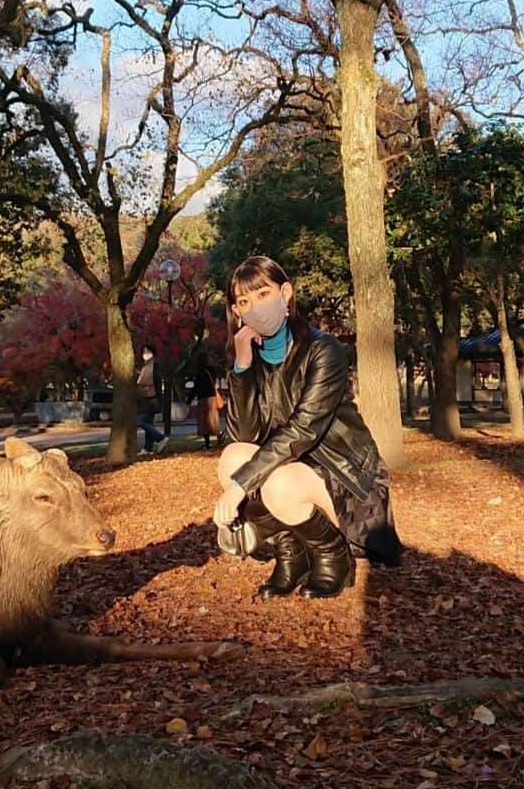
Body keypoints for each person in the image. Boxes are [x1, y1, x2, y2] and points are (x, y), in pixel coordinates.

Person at [213, 255, 402, 600]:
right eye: (243, 301)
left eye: (263, 294)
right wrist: (241, 369)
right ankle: (293, 553)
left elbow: (302, 431)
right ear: (236, 312)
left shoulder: (323, 350)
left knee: (272, 481)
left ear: (286, 294)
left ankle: (334, 555)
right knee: (232, 458)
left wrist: (241, 487)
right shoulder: (250, 358)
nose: (254, 307)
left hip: (344, 475)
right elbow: (244, 437)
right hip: (293, 468)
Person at [135, 344, 167, 455]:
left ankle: (160, 438)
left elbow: (154, 382)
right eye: (144, 352)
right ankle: (148, 448)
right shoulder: (145, 367)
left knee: (141, 421)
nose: (145, 354)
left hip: (151, 399)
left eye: (148, 351)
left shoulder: (154, 366)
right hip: (147, 399)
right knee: (148, 423)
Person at [192, 352, 220, 449]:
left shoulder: (200, 372)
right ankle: (219, 435)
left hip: (203, 397)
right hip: (211, 397)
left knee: (203, 421)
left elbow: (196, 387)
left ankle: (207, 443)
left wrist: (189, 399)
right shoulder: (212, 371)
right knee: (212, 419)